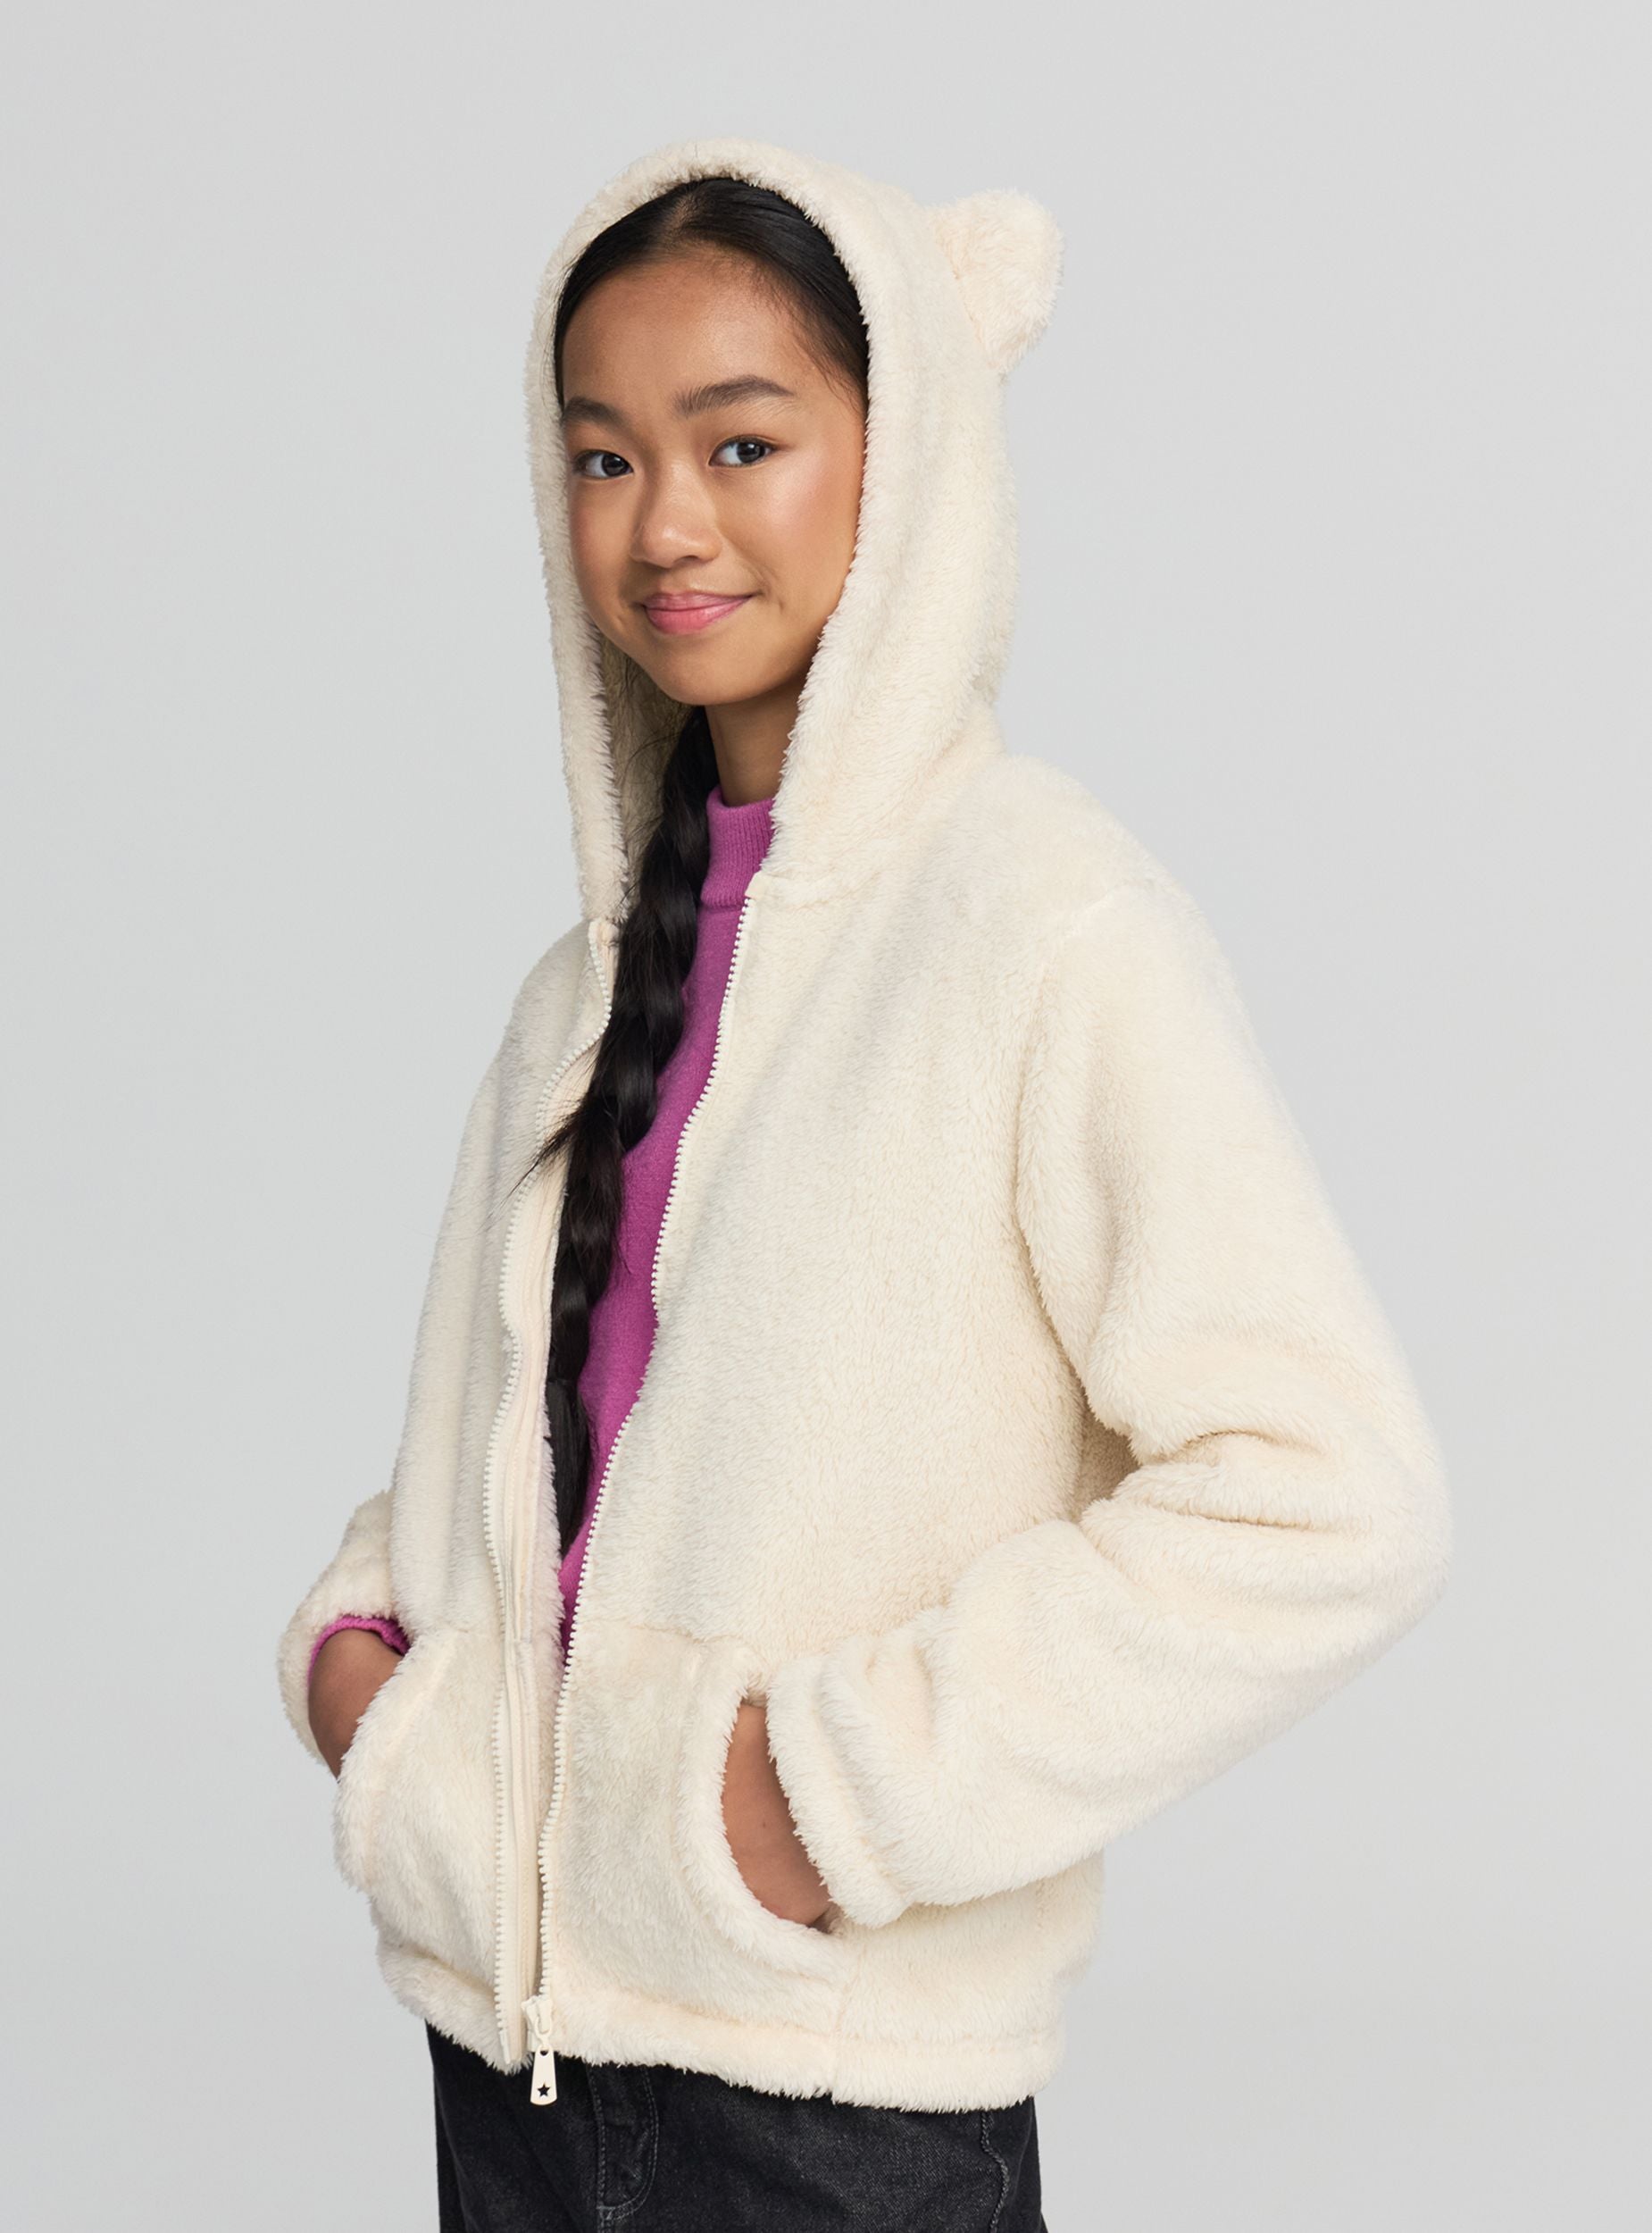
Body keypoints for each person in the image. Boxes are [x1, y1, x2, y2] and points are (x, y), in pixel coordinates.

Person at [277, 136, 1452, 2230]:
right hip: (506, 2068)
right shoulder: (581, 987)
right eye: (603, 455)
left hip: (827, 2104)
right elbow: (522, 1459)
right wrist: (366, 1670)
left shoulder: (1043, 922)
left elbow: (1324, 1492)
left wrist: (817, 1797)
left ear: (902, 462)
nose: (665, 523)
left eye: (741, 442)